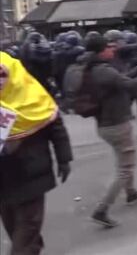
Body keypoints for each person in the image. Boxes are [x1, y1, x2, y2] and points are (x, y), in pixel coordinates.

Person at [71, 33, 137, 227]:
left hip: (105, 122)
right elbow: (132, 86)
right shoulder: (103, 70)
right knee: (125, 168)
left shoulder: (91, 67)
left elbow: (118, 82)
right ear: (101, 51)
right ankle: (101, 210)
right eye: (109, 47)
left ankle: (131, 193)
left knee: (123, 161)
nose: (113, 49)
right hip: (116, 123)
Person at [0, 51, 73, 255]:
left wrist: (64, 158)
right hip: (3, 182)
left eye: (1, 75)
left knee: (27, 229)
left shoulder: (32, 95)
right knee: (15, 227)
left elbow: (54, 123)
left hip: (31, 174)